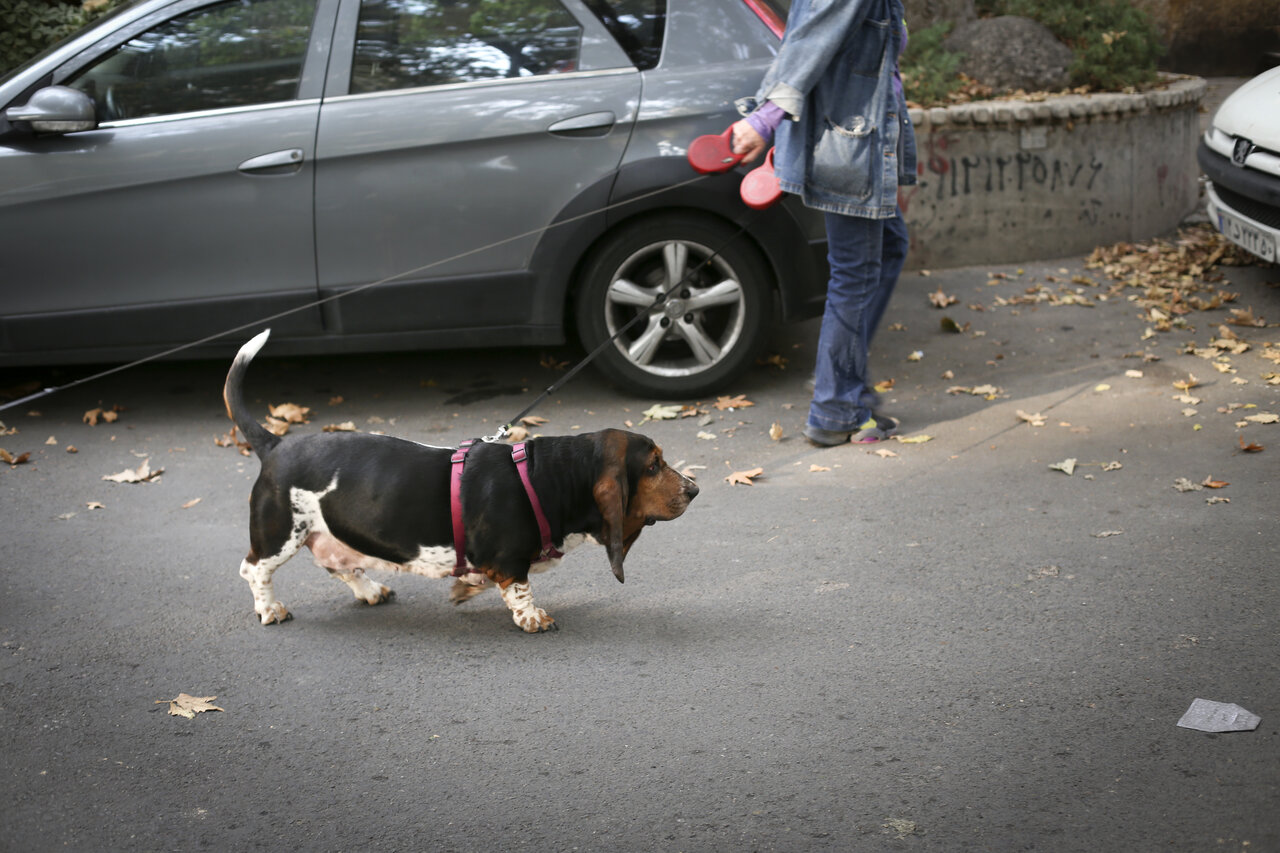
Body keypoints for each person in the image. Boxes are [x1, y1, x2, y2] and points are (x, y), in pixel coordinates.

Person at [732, 0, 916, 446]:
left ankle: (840, 378)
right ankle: (836, 409)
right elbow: (808, 41)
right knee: (855, 274)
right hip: (849, 146)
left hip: (866, 139)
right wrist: (763, 120)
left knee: (890, 246)